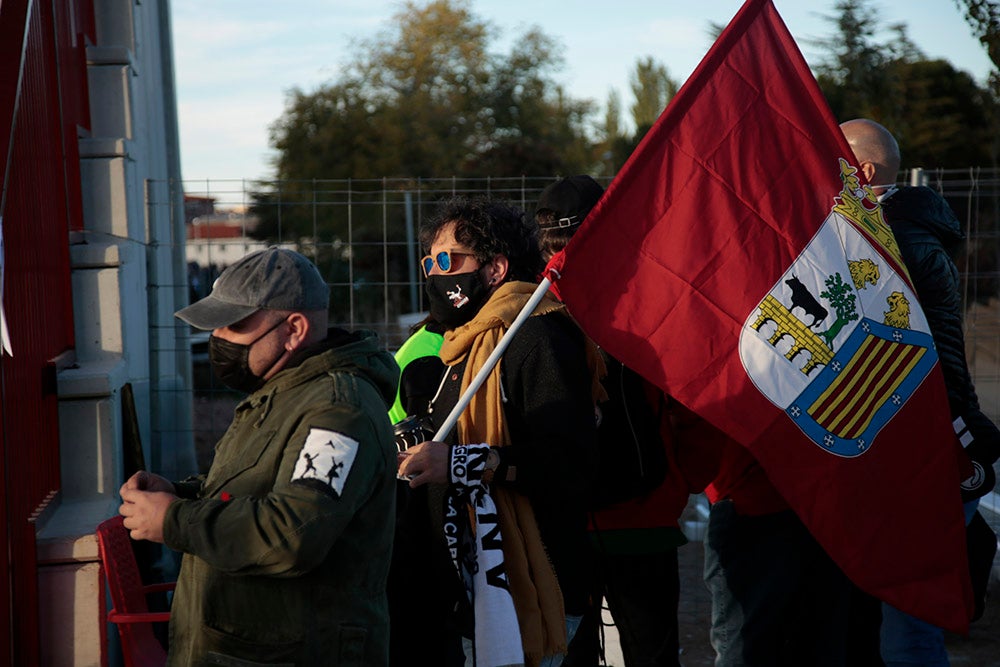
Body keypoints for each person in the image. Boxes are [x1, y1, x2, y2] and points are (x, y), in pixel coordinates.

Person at [118, 247, 400, 666]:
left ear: (294, 329)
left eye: (234, 325)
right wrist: (179, 493)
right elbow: (253, 487)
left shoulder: (338, 412)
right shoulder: (279, 392)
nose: (219, 339)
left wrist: (174, 520)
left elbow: (292, 533)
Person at [396, 195, 604, 667]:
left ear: (495, 269)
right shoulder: (465, 344)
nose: (434, 272)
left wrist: (459, 464)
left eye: (448, 260)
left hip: (530, 584)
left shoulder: (537, 338)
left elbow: (570, 461)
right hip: (474, 587)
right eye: (429, 261)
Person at [841, 118, 1000, 666]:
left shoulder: (893, 239)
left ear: (861, 171)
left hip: (926, 440)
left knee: (905, 628)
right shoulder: (893, 230)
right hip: (920, 434)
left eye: (832, 161)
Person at [535, 175, 691, 667]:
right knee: (645, 651)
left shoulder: (529, 307)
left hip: (601, 517)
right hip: (633, 512)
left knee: (578, 650)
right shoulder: (654, 296)